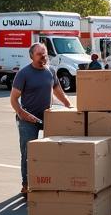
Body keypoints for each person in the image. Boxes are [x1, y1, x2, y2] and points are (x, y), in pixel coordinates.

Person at [11, 42, 72, 196]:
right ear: (32, 56)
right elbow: (13, 99)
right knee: (28, 153)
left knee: (50, 153)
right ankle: (26, 184)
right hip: (28, 120)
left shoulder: (51, 71)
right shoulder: (24, 74)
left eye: (44, 53)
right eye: (39, 54)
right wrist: (21, 113)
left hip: (48, 119)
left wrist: (69, 106)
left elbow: (58, 92)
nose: (43, 57)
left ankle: (47, 182)